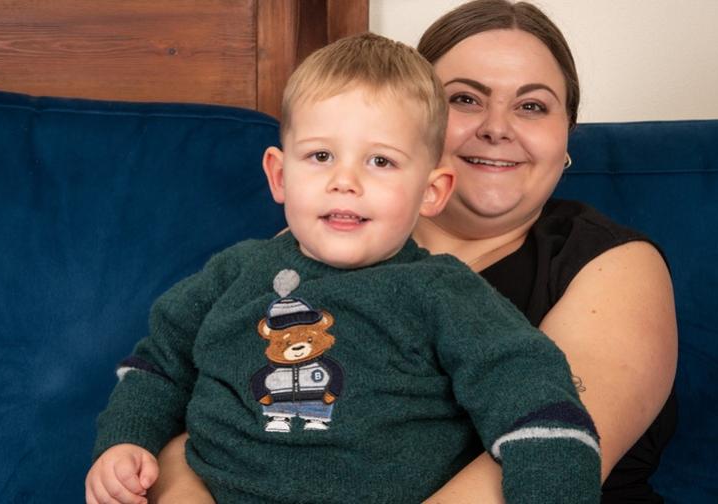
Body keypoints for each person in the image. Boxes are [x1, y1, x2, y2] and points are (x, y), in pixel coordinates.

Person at [149, 1, 678, 503]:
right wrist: (180, 484)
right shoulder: (315, 242)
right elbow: (207, 397)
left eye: (532, 106)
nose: (497, 127)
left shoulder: (615, 263)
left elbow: (554, 450)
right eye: (465, 99)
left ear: (567, 137)